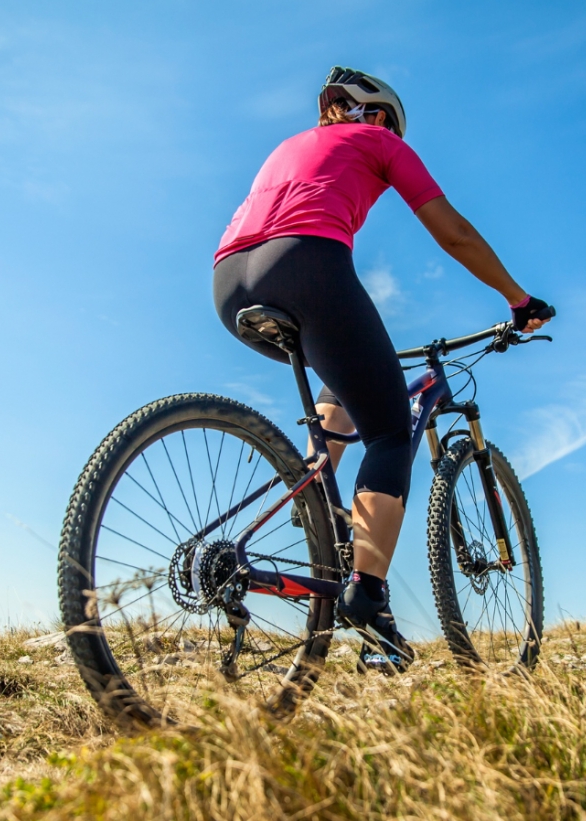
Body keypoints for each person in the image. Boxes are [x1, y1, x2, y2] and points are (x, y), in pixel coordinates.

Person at [213, 66, 553, 668]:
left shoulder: (292, 145)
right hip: (304, 262)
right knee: (392, 429)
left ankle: (317, 497)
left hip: (228, 279)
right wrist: (517, 300)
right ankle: (366, 594)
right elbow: (453, 232)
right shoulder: (381, 141)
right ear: (381, 118)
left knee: (345, 383)